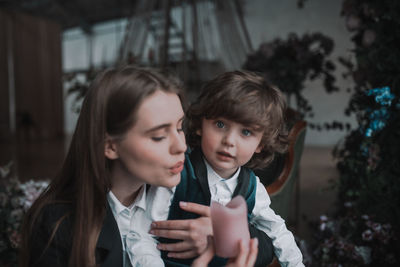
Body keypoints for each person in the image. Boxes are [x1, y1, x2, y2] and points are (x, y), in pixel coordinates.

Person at [20, 66, 190, 267]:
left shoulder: (190, 194)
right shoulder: (55, 225)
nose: (181, 146)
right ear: (110, 146)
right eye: (159, 137)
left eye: (180, 128)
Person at [149, 71, 304, 267]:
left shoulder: (252, 187)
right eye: (220, 124)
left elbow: (276, 231)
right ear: (200, 125)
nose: (229, 141)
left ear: (260, 144)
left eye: (246, 132)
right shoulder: (178, 172)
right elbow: (146, 232)